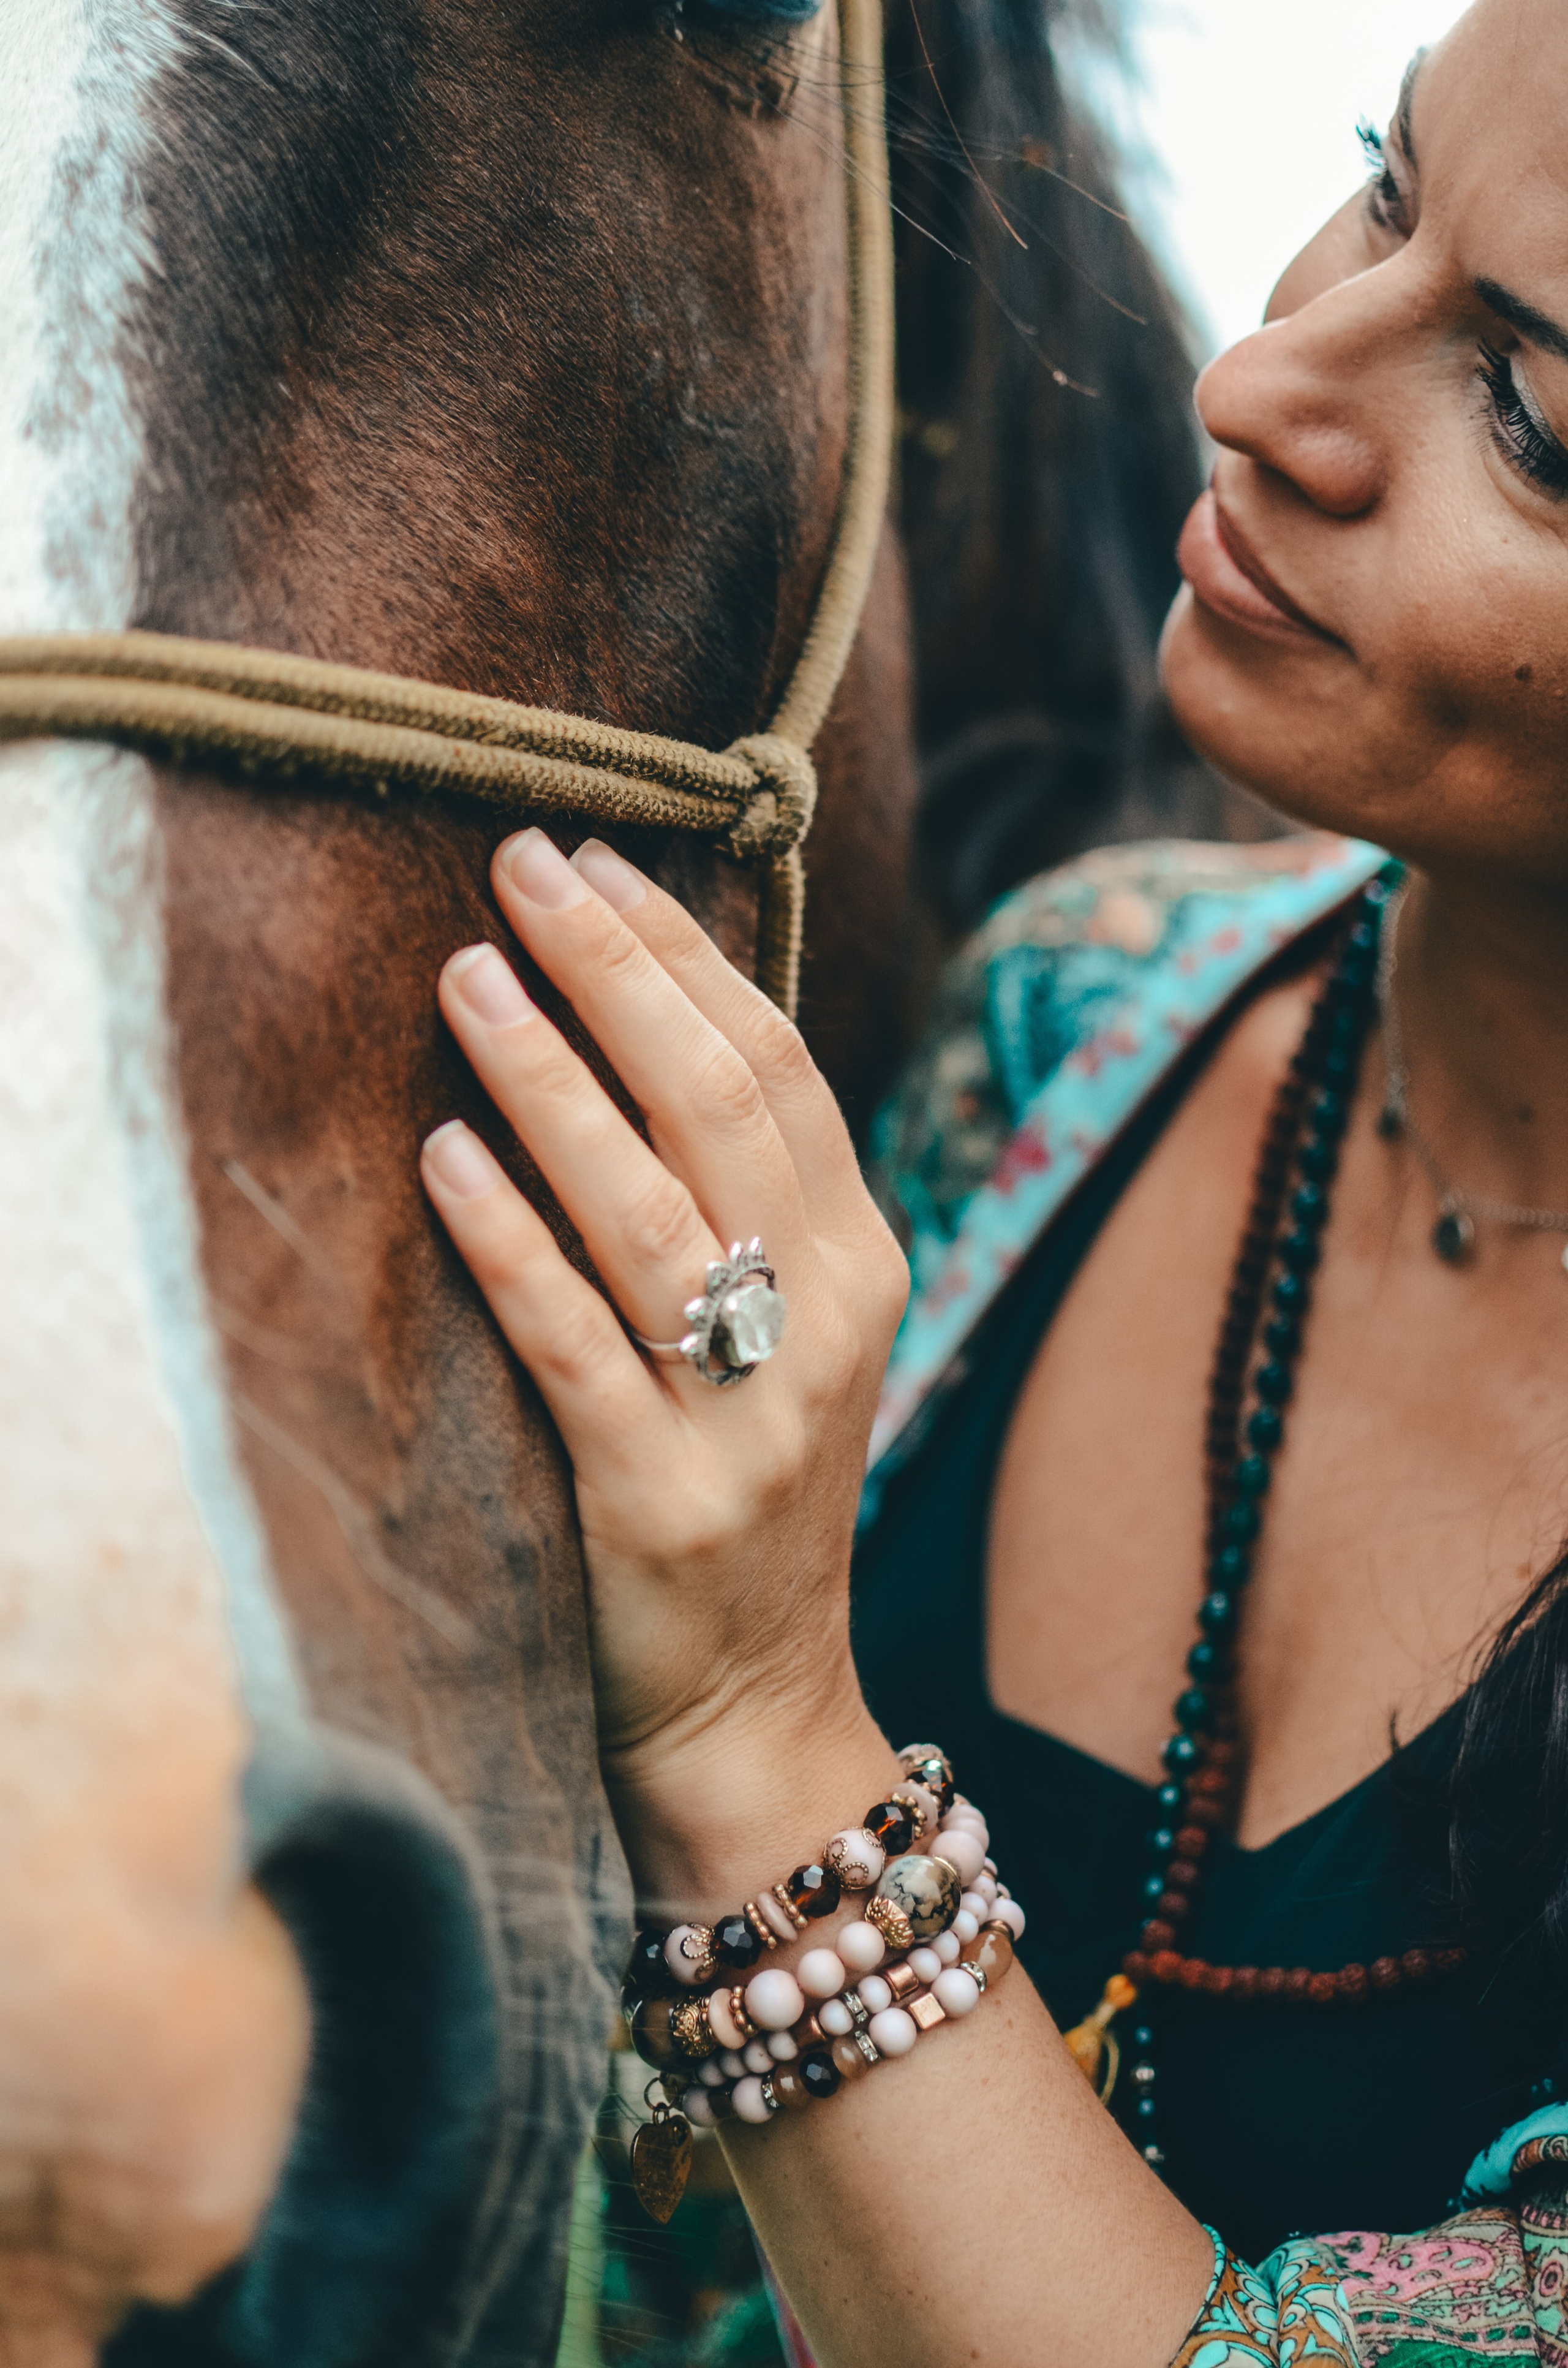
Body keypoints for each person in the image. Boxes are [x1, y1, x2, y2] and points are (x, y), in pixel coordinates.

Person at [416, 1, 1568, 2356]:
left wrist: (760, 1731)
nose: (1264, 382)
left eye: (1536, 410)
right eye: (1380, 177)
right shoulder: (1070, 1020)